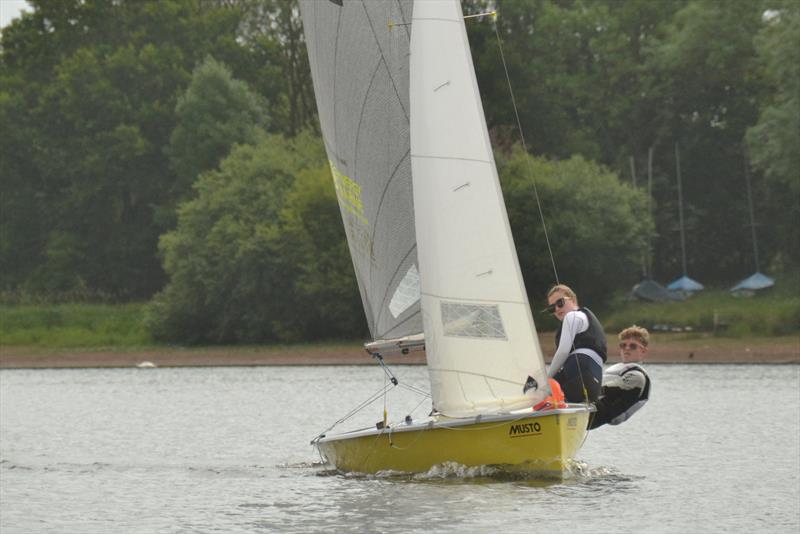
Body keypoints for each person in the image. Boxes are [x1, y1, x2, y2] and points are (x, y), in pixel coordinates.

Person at [544, 284, 606, 403]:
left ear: (572, 300)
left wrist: (546, 378)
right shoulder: (586, 318)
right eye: (552, 308)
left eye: (560, 303)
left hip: (579, 372)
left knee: (540, 396)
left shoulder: (572, 316)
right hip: (594, 380)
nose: (557, 309)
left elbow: (562, 352)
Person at [589, 325, 652, 430]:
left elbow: (604, 390)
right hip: (590, 408)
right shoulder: (618, 369)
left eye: (632, 346)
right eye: (623, 345)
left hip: (603, 414)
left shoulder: (638, 377)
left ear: (643, 351)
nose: (627, 348)